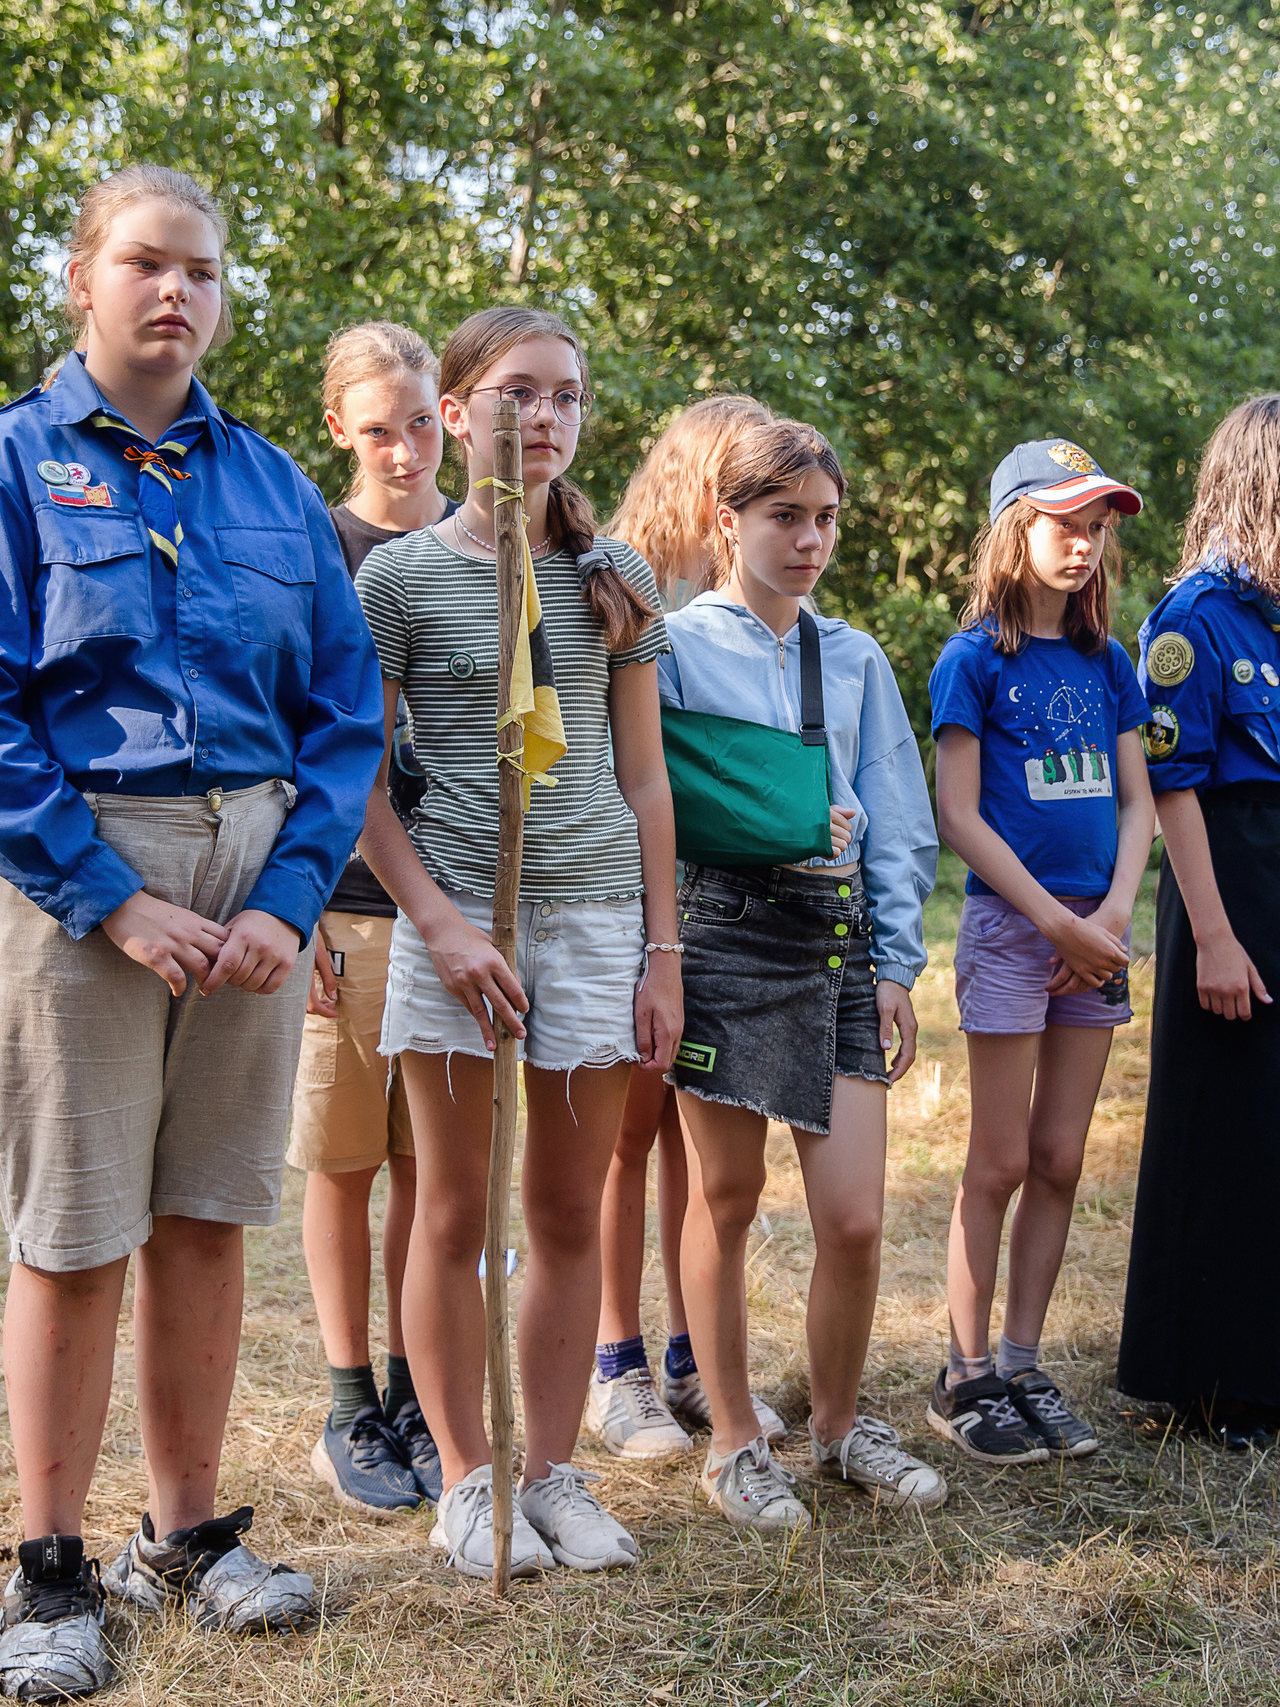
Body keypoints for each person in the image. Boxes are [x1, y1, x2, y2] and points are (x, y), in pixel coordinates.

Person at [0, 166, 376, 1699]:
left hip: (251, 890)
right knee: (78, 1229)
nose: (177, 291)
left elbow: (343, 710)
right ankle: (50, 1572)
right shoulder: (3, 466)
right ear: (84, 280)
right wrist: (112, 896)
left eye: (205, 272)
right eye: (147, 264)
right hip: (73, 883)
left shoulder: (273, 487)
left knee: (208, 1218)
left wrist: (293, 895)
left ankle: (185, 1536)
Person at [355, 306, 682, 1578]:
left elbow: (647, 783)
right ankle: (470, 1480)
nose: (541, 419)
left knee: (565, 1209)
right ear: (453, 414)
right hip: (462, 931)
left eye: (566, 398)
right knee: (450, 1214)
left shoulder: (619, 579)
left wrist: (662, 953)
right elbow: (360, 779)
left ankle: (551, 1472)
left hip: (598, 919)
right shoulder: (401, 576)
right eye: (514, 395)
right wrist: (434, 925)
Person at [662, 419, 945, 1531]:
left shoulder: (856, 657)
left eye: (824, 518)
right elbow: (657, 801)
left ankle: (836, 1425)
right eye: (785, 517)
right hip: (725, 939)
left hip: (835, 948)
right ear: (726, 521)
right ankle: (734, 1437)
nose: (809, 539)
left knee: (856, 1219)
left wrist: (893, 962)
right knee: (723, 1200)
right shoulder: (674, 647)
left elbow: (897, 819)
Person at [1118, 393, 1280, 1448]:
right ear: (1273, 480)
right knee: (1233, 1123)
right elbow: (1176, 784)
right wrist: (1212, 934)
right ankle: (1212, 1374)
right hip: (1236, 874)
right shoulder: (1194, 616)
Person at [925, 439, 1152, 1465]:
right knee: (1001, 1158)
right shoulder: (973, 659)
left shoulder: (1112, 662)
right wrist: (1052, 923)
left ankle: (1022, 1361)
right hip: (1013, 934)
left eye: (1099, 527)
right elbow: (959, 816)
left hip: (1092, 936)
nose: (1086, 544)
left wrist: (1104, 918)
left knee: (1061, 1157)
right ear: (1014, 525)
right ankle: (963, 1374)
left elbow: (1139, 802)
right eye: (1067, 524)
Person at [585, 394, 791, 1458]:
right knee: (628, 1132)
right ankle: (612, 1361)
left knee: (696, 1140)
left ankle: (691, 1355)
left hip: (722, 909)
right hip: (630, 896)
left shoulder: (743, 590)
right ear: (700, 479)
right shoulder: (620, 578)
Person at [296, 321, 454, 1513]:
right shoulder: (319, 547)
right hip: (344, 911)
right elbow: (290, 738)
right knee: (347, 1162)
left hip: (462, 911)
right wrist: (288, 903)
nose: (402, 450)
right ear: (337, 430)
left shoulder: (485, 543)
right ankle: (349, 1400)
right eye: (377, 428)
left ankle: (415, 1389)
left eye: (419, 422)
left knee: (429, 1169)